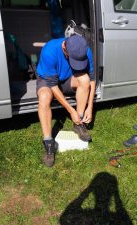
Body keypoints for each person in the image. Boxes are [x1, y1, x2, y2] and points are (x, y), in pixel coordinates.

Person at [36, 35, 95, 167]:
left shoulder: (85, 50)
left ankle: (79, 123)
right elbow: (53, 85)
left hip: (68, 78)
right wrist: (70, 110)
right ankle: (49, 143)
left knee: (84, 80)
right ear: (64, 47)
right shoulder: (49, 50)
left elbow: (92, 79)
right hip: (48, 80)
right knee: (44, 97)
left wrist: (89, 106)